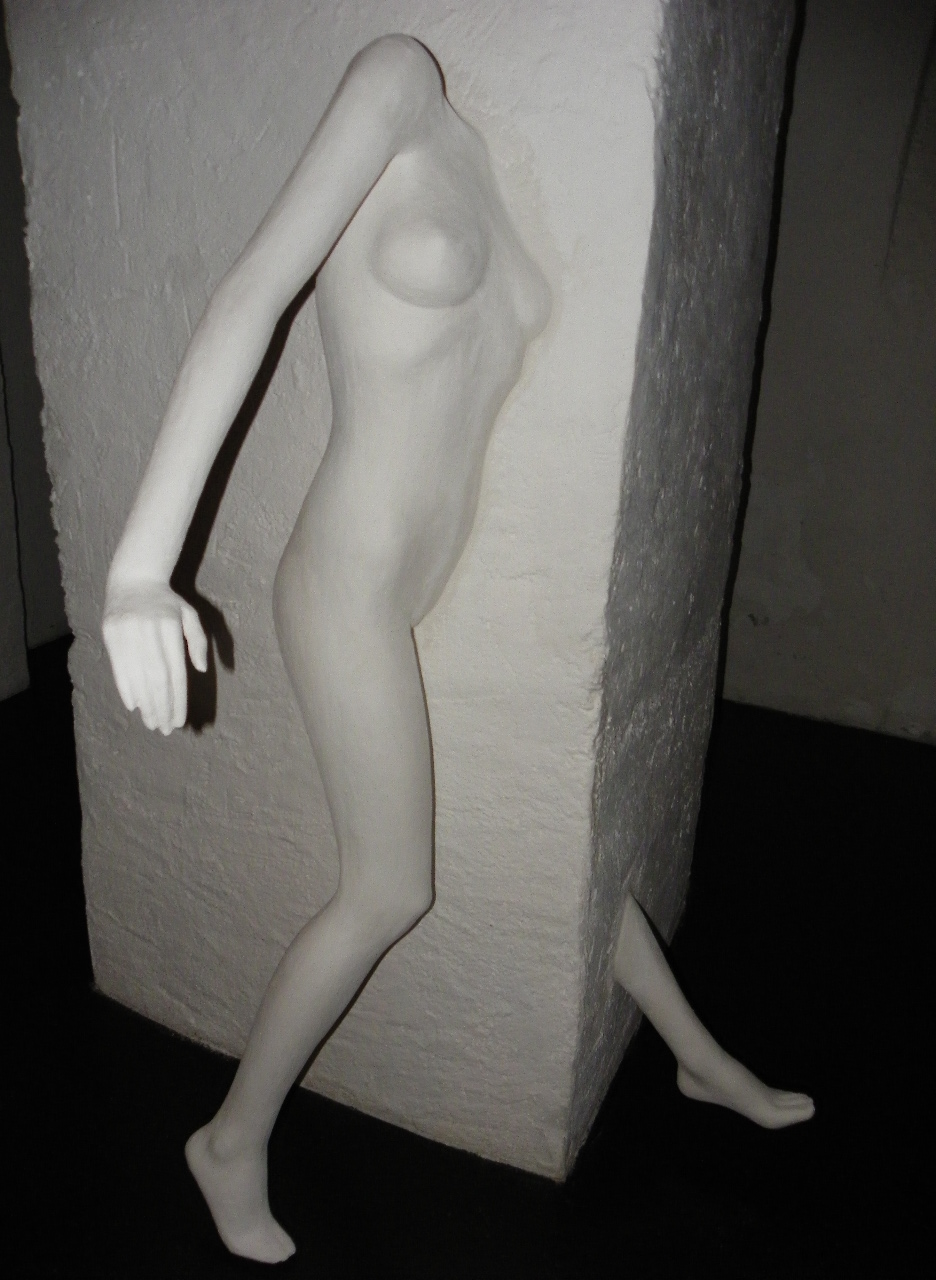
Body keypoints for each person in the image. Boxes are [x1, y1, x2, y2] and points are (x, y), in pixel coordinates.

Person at [103, 35, 813, 1265]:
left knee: (558, 833)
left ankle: (699, 1060)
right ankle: (229, 1137)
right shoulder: (393, 81)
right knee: (390, 887)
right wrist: (140, 567)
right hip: (347, 583)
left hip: (430, 586)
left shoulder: (477, 156)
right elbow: (252, 292)